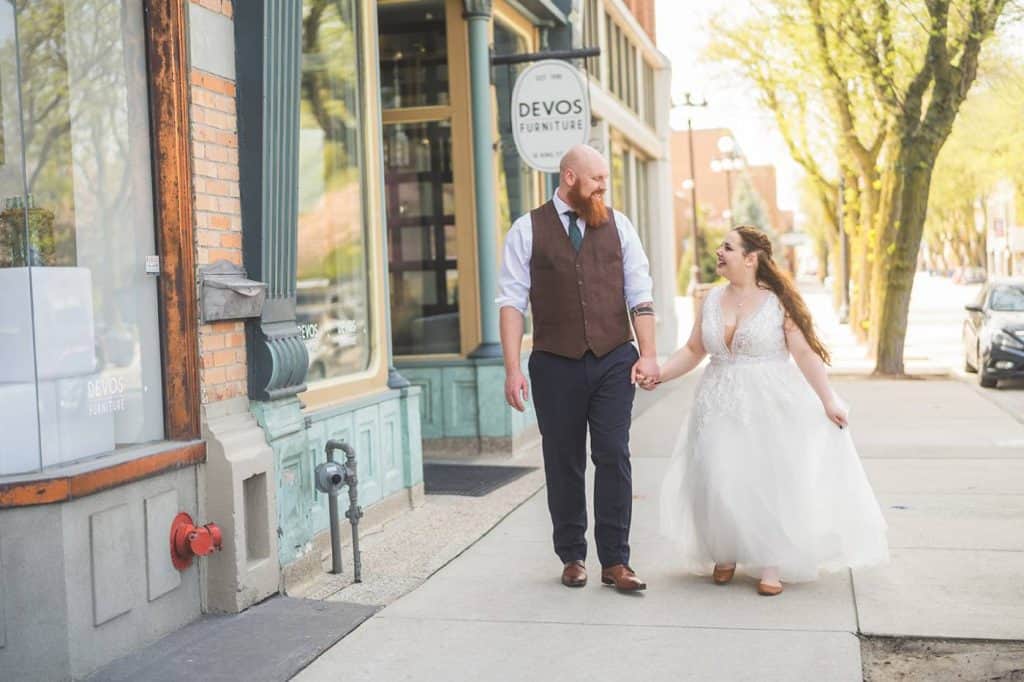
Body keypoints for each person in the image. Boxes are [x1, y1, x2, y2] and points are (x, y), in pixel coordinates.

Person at [654, 226, 888, 596]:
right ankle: (725, 550)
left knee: (766, 479)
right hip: (716, 400)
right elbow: (693, 350)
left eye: (727, 247)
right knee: (716, 473)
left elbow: (805, 354)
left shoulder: (778, 302)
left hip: (769, 402)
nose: (719, 251)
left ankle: (771, 560)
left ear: (751, 258)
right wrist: (660, 374)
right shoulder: (712, 300)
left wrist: (828, 398)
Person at [496, 144, 658, 592]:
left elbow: (640, 294)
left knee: (613, 453)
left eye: (604, 178)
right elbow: (511, 303)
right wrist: (513, 369)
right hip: (554, 363)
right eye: (596, 179)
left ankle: (616, 562)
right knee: (562, 461)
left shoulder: (619, 226)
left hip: (613, 358)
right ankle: (572, 555)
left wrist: (648, 353)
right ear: (569, 178)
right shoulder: (527, 229)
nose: (603, 186)